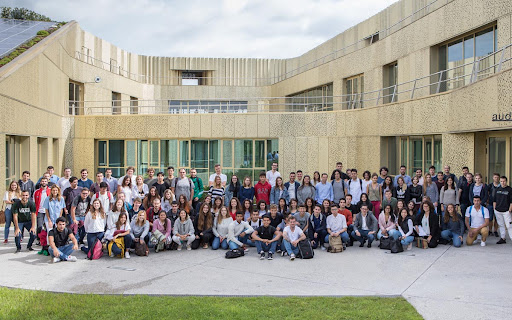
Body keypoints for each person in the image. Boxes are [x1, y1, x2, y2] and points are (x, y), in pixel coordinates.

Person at [43, 186, 66, 255]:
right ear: (51, 191)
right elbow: (46, 210)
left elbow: (61, 209)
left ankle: (57, 246)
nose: (55, 192)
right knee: (50, 232)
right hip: (49, 218)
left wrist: (59, 219)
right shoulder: (48, 199)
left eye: (56, 190)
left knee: (57, 232)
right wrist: (49, 220)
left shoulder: (61, 199)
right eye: (53, 190)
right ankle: (49, 247)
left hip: (57, 219)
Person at [493, 176, 512, 244]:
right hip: (498, 210)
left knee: (509, 225)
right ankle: (503, 238)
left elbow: (511, 201)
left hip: (506, 211)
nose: (502, 183)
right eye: (501, 181)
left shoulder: (510, 189)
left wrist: (510, 210)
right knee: (501, 225)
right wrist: (494, 208)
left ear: (506, 181)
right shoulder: (497, 189)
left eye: (504, 181)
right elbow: (494, 200)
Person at [34, 177, 51, 248]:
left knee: (48, 227)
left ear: (47, 182)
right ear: (40, 182)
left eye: (45, 181)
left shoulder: (50, 191)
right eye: (42, 181)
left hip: (48, 211)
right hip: (40, 211)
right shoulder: (36, 192)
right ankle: (39, 239)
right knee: (39, 226)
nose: (44, 182)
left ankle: (47, 240)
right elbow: (34, 201)